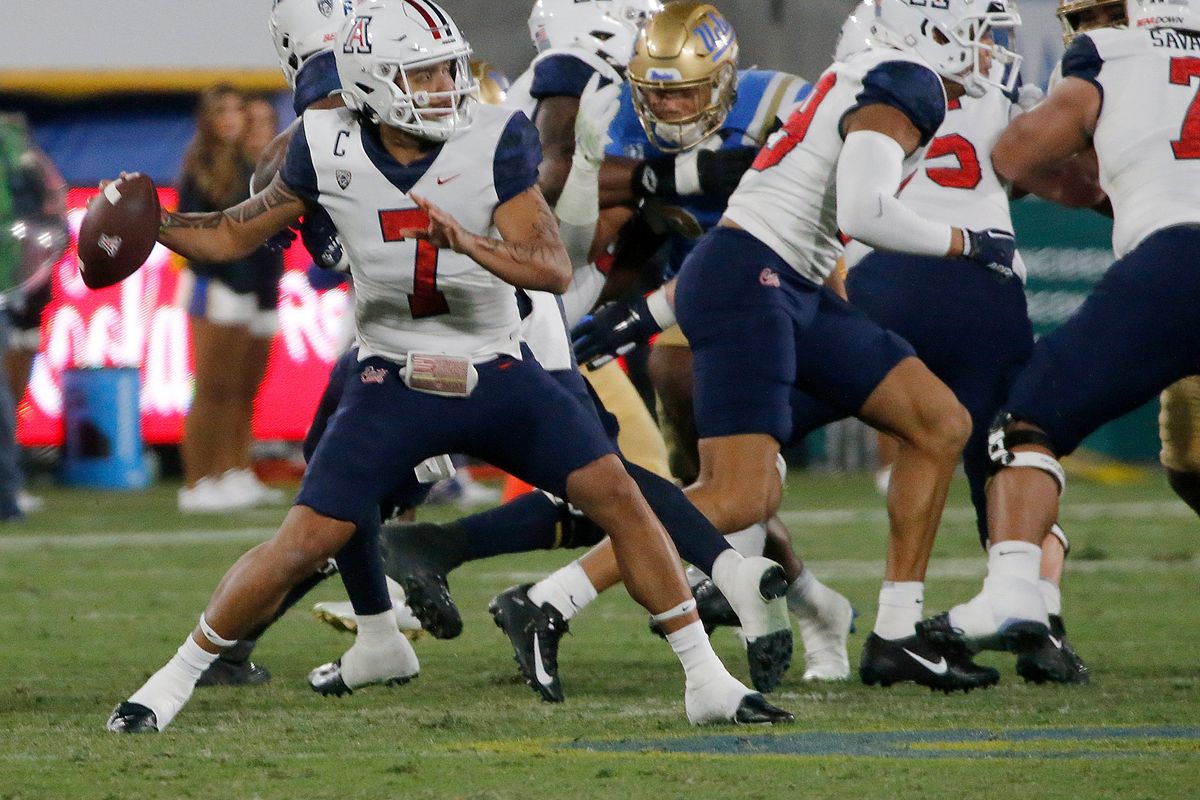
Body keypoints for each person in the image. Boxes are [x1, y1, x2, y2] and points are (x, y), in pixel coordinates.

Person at [106, 0, 790, 733]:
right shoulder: (323, 144)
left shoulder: (494, 137)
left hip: (499, 372)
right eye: (424, 74)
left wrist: (471, 244)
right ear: (371, 83)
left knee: (617, 495)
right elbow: (235, 234)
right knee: (306, 537)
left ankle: (707, 682)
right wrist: (158, 228)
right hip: (393, 378)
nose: (446, 87)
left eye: (447, 69)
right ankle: (168, 687)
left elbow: (552, 268)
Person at [573, 0, 1027, 691]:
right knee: (735, 492)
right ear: (924, 33)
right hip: (752, 288)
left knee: (937, 424)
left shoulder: (822, 87)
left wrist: (647, 309)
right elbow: (857, 213)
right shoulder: (901, 81)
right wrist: (971, 243)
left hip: (776, 286)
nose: (991, 47)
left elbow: (771, 220)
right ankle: (556, 596)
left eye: (688, 88)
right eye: (977, 32)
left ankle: (894, 632)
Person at [919, 0, 1200, 659]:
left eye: (1102, 12)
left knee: (1029, 419)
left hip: (1179, 258)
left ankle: (1015, 588)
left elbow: (1016, 152)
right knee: (1192, 458)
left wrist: (1096, 190)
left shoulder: (1112, 54)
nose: (1088, 26)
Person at [175, 84, 283, 513]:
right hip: (216, 284)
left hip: (256, 285)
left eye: (238, 110)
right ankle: (197, 480)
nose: (232, 119)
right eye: (222, 111)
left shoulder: (251, 164)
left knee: (242, 389)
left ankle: (233, 470)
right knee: (213, 389)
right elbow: (191, 230)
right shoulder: (200, 164)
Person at [0, 114, 68, 521]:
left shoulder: (12, 144)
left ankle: (6, 492)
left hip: (8, 282)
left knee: (4, 396)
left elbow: (43, 213)